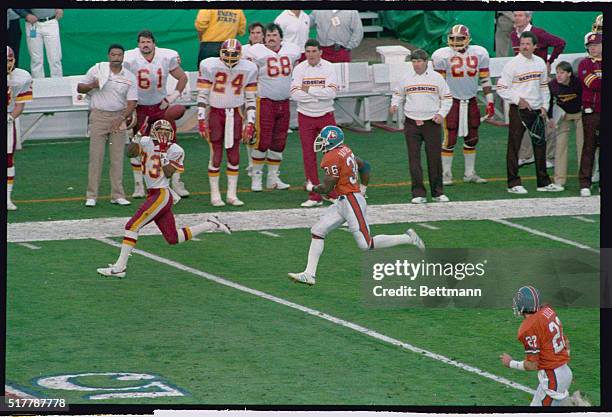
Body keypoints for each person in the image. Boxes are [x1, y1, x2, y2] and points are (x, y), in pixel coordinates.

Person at [288, 126, 425, 286]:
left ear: (331, 141)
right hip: (344, 200)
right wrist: (363, 189)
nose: (320, 142)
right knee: (318, 231)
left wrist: (311, 188)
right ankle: (309, 274)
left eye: (323, 139)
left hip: (351, 201)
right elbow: (365, 166)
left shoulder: (331, 157)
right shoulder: (345, 150)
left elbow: (328, 187)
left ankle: (409, 238)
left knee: (367, 245)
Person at [97, 120, 232, 279]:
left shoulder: (176, 150)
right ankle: (211, 223)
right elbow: (130, 153)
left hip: (161, 194)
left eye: (165, 132)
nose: (162, 135)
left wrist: (162, 154)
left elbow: (168, 173)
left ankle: (119, 267)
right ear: (153, 132)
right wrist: (137, 137)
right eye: (159, 131)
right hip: (154, 194)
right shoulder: (146, 142)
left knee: (132, 226)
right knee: (173, 238)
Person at [123, 30, 189, 199]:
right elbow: (121, 81)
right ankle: (139, 184)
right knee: (137, 146)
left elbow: (182, 78)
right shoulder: (129, 59)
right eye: (142, 42)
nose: (145, 44)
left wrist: (173, 96)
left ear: (154, 43)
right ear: (138, 44)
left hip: (161, 107)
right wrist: (129, 104)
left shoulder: (166, 57)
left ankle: (176, 182)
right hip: (140, 108)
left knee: (170, 144)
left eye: (148, 41)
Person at [496, 32, 563, 195]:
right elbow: (501, 88)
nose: (524, 47)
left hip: (536, 110)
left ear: (535, 46)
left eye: (527, 44)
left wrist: (544, 107)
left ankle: (543, 182)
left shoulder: (540, 63)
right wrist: (518, 100)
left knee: (540, 145)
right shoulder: (512, 64)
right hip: (518, 110)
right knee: (514, 146)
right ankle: (513, 183)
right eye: (522, 43)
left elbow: (543, 87)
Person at [197, 39, 258, 207]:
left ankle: (232, 194)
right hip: (216, 113)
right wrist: (201, 118)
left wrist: (251, 122)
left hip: (236, 113)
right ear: (221, 53)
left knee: (234, 154)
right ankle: (215, 194)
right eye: (227, 53)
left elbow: (251, 99)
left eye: (234, 54)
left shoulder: (249, 68)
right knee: (216, 154)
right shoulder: (209, 65)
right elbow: (202, 95)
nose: (230, 57)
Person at [77, 44, 138, 208]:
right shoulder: (98, 69)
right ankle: (91, 195)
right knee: (95, 157)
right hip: (98, 116)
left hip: (118, 116)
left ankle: (117, 195)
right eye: (113, 55)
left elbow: (132, 102)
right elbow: (80, 87)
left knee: (117, 158)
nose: (116, 58)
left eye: (119, 55)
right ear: (108, 55)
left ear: (123, 57)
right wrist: (93, 85)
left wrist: (123, 118)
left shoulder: (130, 77)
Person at [432, 24, 494, 186]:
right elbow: (439, 83)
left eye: (460, 38)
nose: (456, 41)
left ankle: (469, 173)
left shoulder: (479, 52)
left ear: (468, 39)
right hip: (451, 101)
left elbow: (485, 78)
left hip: (471, 98)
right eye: (452, 38)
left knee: (472, 137)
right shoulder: (442, 55)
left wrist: (490, 99)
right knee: (450, 138)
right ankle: (446, 174)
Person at [390, 49, 452, 204]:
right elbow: (398, 94)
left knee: (434, 159)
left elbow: (447, 98)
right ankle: (418, 193)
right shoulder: (405, 78)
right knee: (414, 159)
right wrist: (394, 105)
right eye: (414, 62)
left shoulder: (437, 78)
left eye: (419, 61)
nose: (416, 65)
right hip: (411, 123)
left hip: (432, 123)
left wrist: (441, 114)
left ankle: (437, 192)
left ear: (426, 62)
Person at [244, 23, 301, 192]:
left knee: (279, 141)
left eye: (274, 35)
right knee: (262, 141)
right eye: (268, 35)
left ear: (281, 37)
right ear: (264, 38)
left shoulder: (291, 50)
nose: (271, 38)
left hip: (284, 102)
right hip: (265, 102)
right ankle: (256, 177)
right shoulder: (255, 52)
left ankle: (273, 178)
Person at [500, 286, 572, 406]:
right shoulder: (548, 311)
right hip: (563, 372)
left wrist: (510, 363)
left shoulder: (528, 327)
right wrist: (560, 361)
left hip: (552, 379)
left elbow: (532, 365)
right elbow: (567, 343)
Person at [511, 11, 566, 168]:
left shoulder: (538, 33)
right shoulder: (513, 35)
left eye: (521, 15)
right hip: (524, 83)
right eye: (515, 15)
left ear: (528, 18)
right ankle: (526, 155)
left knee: (546, 117)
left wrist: (549, 61)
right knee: (525, 117)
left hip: (540, 82)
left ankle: (550, 157)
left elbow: (560, 43)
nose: (517, 18)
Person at [290, 39, 339, 207]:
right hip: (305, 116)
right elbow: (295, 94)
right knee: (309, 155)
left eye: (313, 51)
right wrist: (319, 93)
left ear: (320, 52)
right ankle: (315, 195)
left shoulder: (329, 67)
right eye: (308, 51)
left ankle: (331, 192)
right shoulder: (299, 69)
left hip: (326, 115)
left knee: (331, 156)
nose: (310, 55)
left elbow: (332, 92)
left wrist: (309, 90)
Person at [546, 61, 583, 188]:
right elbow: (549, 101)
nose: (559, 76)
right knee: (560, 146)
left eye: (562, 73)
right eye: (557, 73)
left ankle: (585, 177)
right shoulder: (553, 85)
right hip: (564, 115)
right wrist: (550, 118)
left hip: (580, 114)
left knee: (583, 146)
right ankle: (559, 180)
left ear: (569, 74)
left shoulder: (578, 82)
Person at [6, 46, 33, 211]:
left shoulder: (21, 77)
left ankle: (7, 197)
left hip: (7, 119)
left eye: (9, 60)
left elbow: (20, 105)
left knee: (8, 159)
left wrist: (10, 118)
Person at [577, 32, 602, 197]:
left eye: (595, 45)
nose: (592, 48)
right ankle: (585, 183)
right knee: (589, 147)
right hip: (591, 111)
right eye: (590, 46)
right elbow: (591, 83)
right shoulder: (584, 63)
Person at [241, 21, 266, 177]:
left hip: (264, 94)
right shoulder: (243, 50)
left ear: (263, 35)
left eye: (258, 32)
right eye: (253, 33)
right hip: (247, 94)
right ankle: (251, 163)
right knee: (249, 128)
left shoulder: (268, 51)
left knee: (264, 131)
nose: (255, 35)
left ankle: (261, 164)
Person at [14, 8, 64, 78]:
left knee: (55, 57)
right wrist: (26, 14)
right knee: (36, 59)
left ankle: (58, 82)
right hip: (32, 24)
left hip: (51, 22)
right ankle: (38, 84)